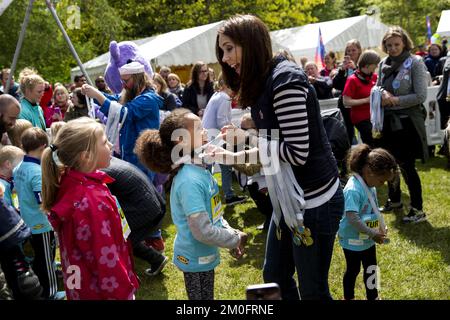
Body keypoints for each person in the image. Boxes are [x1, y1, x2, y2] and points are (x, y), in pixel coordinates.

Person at [215, 14, 343, 300]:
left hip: (314, 202)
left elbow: (296, 154)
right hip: (289, 198)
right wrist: (228, 152)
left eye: (229, 48)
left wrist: (246, 138)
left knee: (313, 290)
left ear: (251, 44)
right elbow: (276, 142)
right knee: (274, 276)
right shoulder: (265, 81)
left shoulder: (284, 81)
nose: (225, 59)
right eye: (222, 50)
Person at [134, 108, 247, 300]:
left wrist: (222, 138)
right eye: (199, 128)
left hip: (205, 254)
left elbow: (215, 216)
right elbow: (202, 230)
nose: (204, 132)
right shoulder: (190, 181)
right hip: (195, 257)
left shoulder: (197, 167)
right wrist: (235, 238)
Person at [41, 117, 139, 300]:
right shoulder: (92, 200)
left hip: (81, 287)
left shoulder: (70, 182)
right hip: (103, 292)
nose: (110, 144)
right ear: (86, 156)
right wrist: (123, 292)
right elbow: (105, 255)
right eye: (104, 142)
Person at [377, 26, 428, 223]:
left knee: (408, 167)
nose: (393, 48)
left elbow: (421, 96)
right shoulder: (383, 64)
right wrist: (381, 93)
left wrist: (395, 101)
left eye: (396, 44)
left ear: (405, 43)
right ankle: (395, 200)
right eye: (388, 45)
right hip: (388, 123)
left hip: (407, 124)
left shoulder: (415, 62)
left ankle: (417, 209)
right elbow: (378, 86)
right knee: (389, 164)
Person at [82, 61, 162, 183]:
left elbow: (124, 113)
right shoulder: (134, 94)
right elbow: (114, 99)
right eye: (122, 81)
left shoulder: (149, 99)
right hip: (131, 154)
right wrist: (93, 93)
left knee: (141, 192)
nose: (123, 85)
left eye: (126, 81)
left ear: (138, 79)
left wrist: (97, 95)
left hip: (143, 156)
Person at [338, 144, 397, 300]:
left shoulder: (370, 186)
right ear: (369, 172)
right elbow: (353, 218)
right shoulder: (353, 190)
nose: (382, 184)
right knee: (353, 269)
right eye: (382, 181)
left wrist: (380, 227)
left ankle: (373, 296)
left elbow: (373, 210)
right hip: (352, 240)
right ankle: (348, 297)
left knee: (371, 268)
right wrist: (373, 234)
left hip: (368, 239)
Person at [13, 127, 61, 299]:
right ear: (43, 147)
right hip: (41, 224)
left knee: (40, 257)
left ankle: (40, 284)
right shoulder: (37, 172)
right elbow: (43, 201)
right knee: (47, 260)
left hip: (27, 220)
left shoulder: (18, 167)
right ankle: (51, 292)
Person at [101, 157, 169, 276]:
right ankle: (156, 259)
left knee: (119, 236)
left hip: (146, 209)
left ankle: (120, 272)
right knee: (125, 235)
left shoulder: (101, 172)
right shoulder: (108, 162)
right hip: (153, 203)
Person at [202, 74, 246, 205]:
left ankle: (219, 195)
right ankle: (225, 195)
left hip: (209, 135)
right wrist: (234, 130)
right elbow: (222, 122)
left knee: (211, 168)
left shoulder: (217, 95)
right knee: (222, 166)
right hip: (215, 136)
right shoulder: (225, 98)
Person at [342, 50, 381, 146]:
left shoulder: (375, 77)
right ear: (367, 64)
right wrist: (367, 100)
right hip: (361, 118)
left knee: (380, 143)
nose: (377, 66)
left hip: (375, 116)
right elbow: (346, 102)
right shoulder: (352, 79)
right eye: (375, 64)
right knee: (372, 143)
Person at [333, 39, 363, 145]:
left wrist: (355, 69)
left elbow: (365, 82)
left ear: (359, 51)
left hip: (361, 103)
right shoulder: (343, 68)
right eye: (348, 51)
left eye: (353, 50)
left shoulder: (364, 64)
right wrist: (341, 71)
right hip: (345, 105)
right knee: (348, 132)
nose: (350, 53)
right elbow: (336, 85)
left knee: (363, 132)